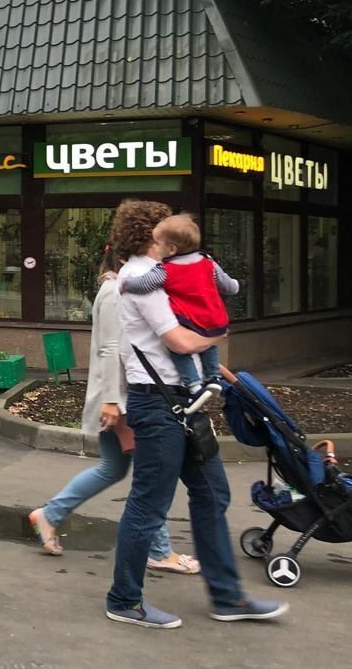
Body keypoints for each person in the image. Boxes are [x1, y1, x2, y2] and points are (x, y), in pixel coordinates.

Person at [106, 199, 286, 629]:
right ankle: (124, 599)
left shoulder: (163, 275)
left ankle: (227, 598)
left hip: (181, 403)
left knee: (212, 494)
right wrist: (220, 331)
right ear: (154, 235)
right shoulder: (140, 280)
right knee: (149, 504)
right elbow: (182, 341)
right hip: (158, 403)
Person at [29, 245, 198, 574]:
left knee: (115, 469)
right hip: (124, 402)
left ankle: (49, 514)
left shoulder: (120, 289)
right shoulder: (114, 292)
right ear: (124, 259)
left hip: (122, 400)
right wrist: (115, 406)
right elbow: (110, 350)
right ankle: (160, 550)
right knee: (151, 476)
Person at [119, 214, 238, 395]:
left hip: (188, 316)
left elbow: (145, 284)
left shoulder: (166, 270)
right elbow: (227, 285)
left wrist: (126, 284)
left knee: (177, 350)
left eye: (158, 243)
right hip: (213, 315)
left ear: (172, 248)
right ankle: (213, 376)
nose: (155, 247)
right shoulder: (207, 262)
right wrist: (236, 285)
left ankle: (192, 382)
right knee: (209, 345)